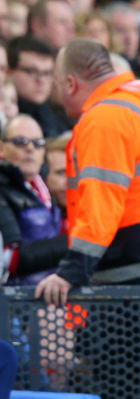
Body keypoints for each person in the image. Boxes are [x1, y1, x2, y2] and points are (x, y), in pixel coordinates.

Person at [34, 39, 140, 306]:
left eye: (56, 84)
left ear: (70, 84)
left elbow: (101, 204)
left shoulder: (105, 118)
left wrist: (71, 273)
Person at [0, 115, 67, 285]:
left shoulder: (44, 189)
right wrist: (74, 242)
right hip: (14, 303)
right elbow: (8, 259)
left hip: (48, 301)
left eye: (38, 143)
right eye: (21, 142)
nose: (30, 148)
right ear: (1, 147)